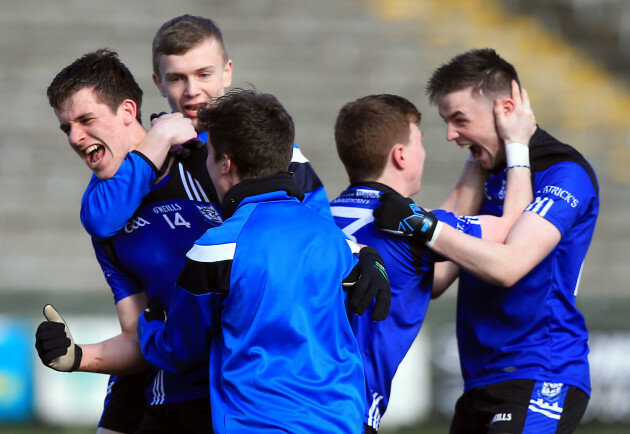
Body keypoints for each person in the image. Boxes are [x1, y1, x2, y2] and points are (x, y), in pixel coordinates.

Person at [374, 48, 599, 433]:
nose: (450, 135)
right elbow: (437, 275)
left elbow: (508, 266)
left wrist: (423, 226)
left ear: (506, 109)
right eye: (446, 122)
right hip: (481, 380)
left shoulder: (565, 173)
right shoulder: (488, 172)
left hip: (540, 373)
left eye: (460, 120)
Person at [137, 89, 368, 433]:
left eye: (210, 155)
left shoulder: (217, 247)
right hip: (342, 422)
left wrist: (149, 323)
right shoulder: (335, 238)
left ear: (225, 162)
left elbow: (178, 349)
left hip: (258, 423)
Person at [330, 88, 536, 432]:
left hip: (294, 400)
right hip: (346, 412)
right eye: (420, 142)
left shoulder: (322, 217)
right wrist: (517, 145)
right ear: (401, 156)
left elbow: (434, 274)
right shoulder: (413, 230)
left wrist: (476, 155)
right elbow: (515, 226)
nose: (424, 151)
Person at [36, 48, 219, 433]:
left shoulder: (206, 159)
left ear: (127, 111)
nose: (75, 137)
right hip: (171, 388)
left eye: (86, 120)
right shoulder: (102, 211)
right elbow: (139, 336)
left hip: (241, 383)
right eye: (66, 127)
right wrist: (77, 356)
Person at [81, 14, 331, 242]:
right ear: (159, 83)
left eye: (203, 75)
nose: (192, 91)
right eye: (177, 78)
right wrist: (160, 138)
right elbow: (100, 222)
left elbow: (323, 232)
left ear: (226, 73)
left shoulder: (272, 146)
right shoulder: (144, 150)